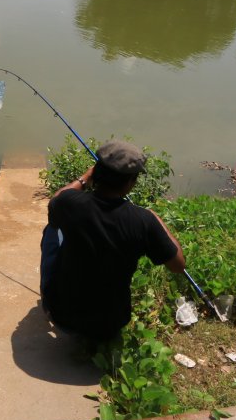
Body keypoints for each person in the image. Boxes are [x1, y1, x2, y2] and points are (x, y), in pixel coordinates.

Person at [40, 140, 186, 343]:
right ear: (130, 182)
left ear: (96, 172)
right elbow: (178, 265)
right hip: (110, 325)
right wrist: (155, 219)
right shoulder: (143, 220)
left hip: (62, 317)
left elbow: (58, 198)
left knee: (52, 230)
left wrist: (86, 178)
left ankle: (51, 300)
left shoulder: (70, 204)